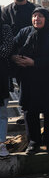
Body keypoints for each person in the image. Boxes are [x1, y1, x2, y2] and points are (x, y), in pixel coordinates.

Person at [11, 8, 49, 154]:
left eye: (40, 16)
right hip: (29, 81)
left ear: (46, 18)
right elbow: (13, 48)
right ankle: (33, 143)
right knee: (30, 113)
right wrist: (15, 57)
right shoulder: (24, 32)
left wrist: (34, 62)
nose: (37, 19)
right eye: (34, 16)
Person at [0, 16, 13, 157]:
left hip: (2, 79)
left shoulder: (5, 29)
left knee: (2, 113)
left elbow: (5, 50)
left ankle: (1, 144)